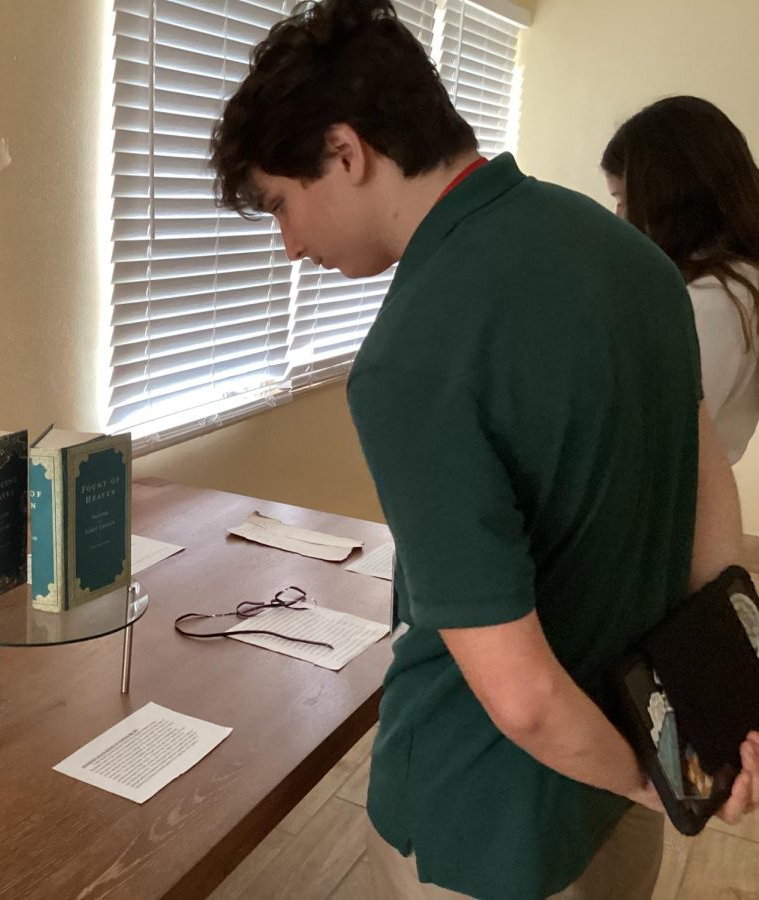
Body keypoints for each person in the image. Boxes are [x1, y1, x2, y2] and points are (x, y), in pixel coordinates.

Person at [208, 2, 758, 898]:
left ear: (346, 154)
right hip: (614, 791)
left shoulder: (409, 357)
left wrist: (644, 777)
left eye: (282, 204)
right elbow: (712, 506)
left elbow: (524, 697)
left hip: (485, 817)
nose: (291, 243)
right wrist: (701, 731)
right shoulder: (638, 263)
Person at [602, 96, 759, 465]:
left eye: (624, 199)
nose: (619, 216)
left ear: (669, 198)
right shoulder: (730, 283)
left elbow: (645, 436)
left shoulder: (712, 303)